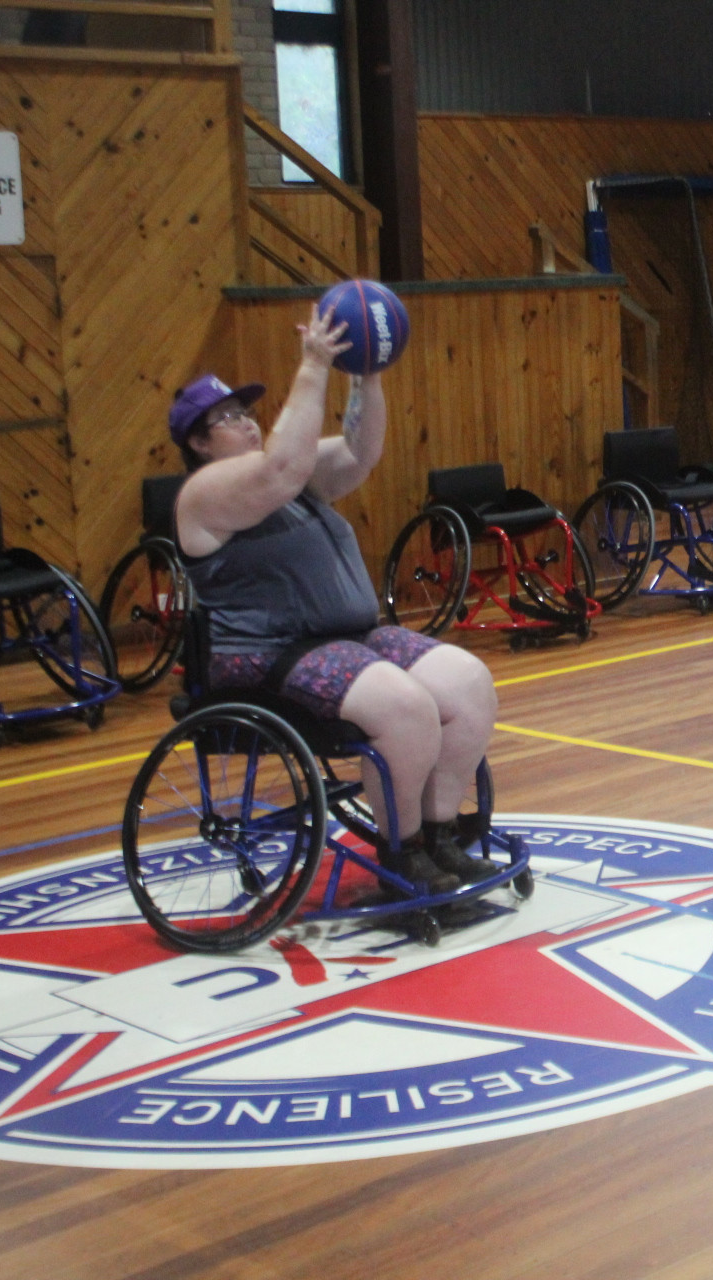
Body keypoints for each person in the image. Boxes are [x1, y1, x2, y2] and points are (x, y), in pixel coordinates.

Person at [169, 308, 499, 895]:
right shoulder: (204, 494)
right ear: (198, 442)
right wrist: (314, 363)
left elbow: (359, 450)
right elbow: (282, 464)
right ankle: (405, 851)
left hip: (349, 637)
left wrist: (366, 374)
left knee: (467, 681)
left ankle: (443, 835)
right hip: (266, 653)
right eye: (229, 418)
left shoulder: (291, 480)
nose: (247, 424)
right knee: (404, 707)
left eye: (248, 413)